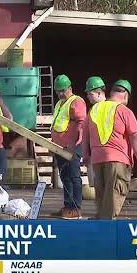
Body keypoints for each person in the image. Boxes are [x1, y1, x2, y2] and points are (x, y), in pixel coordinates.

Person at [83, 79, 137, 219]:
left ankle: (101, 221)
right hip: (118, 160)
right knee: (114, 195)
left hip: (97, 159)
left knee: (102, 194)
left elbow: (85, 135)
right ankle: (106, 228)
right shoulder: (124, 111)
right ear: (125, 94)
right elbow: (134, 136)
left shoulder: (94, 109)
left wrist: (86, 155)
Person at [50, 74, 86, 219]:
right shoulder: (60, 103)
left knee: (73, 177)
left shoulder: (76, 101)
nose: (60, 94)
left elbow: (81, 123)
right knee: (65, 177)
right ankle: (68, 206)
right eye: (57, 91)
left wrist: (74, 143)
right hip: (60, 147)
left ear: (70, 88)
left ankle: (76, 208)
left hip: (71, 146)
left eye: (63, 90)